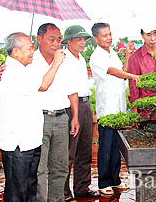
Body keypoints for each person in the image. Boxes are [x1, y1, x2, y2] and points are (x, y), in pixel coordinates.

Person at [0, 23, 79, 202]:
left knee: (31, 182)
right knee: (19, 188)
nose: (31, 52)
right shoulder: (12, 71)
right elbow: (43, 85)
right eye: (28, 48)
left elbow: (71, 90)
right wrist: (56, 63)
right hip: (19, 141)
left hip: (31, 136)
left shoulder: (21, 68)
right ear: (15, 51)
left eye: (58, 39)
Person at [89, 22, 140, 196]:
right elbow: (113, 71)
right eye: (104, 35)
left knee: (116, 146)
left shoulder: (113, 54)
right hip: (108, 110)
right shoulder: (96, 56)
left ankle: (115, 180)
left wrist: (127, 56)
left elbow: (121, 70)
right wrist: (132, 75)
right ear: (96, 38)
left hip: (119, 109)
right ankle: (104, 182)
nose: (109, 38)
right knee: (106, 146)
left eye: (110, 34)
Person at [61, 25, 100, 201]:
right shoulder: (63, 58)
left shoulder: (80, 58)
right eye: (79, 39)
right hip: (70, 107)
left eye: (84, 39)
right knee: (69, 152)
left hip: (84, 104)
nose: (83, 42)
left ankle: (82, 187)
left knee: (84, 150)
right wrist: (74, 116)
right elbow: (69, 90)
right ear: (68, 41)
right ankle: (63, 192)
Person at [127, 26, 156, 123]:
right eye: (148, 34)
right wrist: (134, 109)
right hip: (146, 112)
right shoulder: (135, 58)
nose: (152, 38)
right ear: (142, 35)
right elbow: (133, 86)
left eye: (155, 33)